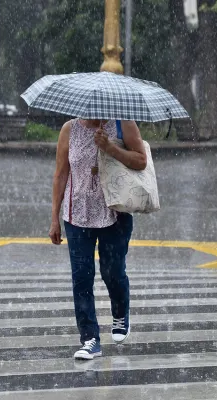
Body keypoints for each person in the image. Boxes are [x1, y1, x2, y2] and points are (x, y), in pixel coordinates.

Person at [49, 118, 147, 360]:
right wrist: (54, 217)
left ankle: (120, 312)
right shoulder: (69, 129)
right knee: (81, 278)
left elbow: (141, 161)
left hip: (115, 212)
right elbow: (61, 173)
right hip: (77, 215)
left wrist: (111, 148)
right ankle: (90, 338)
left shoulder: (123, 125)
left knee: (112, 272)